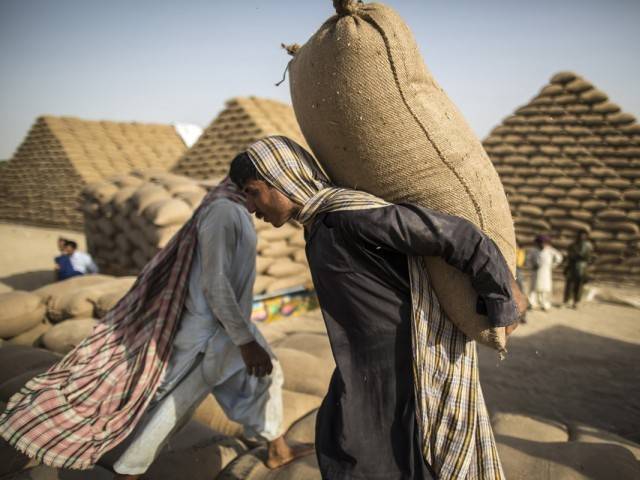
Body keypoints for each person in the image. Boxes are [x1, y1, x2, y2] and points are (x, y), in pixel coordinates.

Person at [230, 136, 526, 480]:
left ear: (280, 177)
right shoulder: (318, 227)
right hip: (364, 369)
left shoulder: (349, 218)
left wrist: (502, 299)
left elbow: (458, 235)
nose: (251, 208)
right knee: (342, 445)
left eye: (253, 192)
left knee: (384, 460)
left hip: (406, 370)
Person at [0, 177, 310, 478]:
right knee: (169, 410)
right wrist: (245, 341)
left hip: (223, 329)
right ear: (254, 186)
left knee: (264, 377)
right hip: (211, 334)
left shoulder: (226, 208)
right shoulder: (225, 213)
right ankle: (126, 473)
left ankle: (277, 448)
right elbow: (216, 285)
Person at [528, 235, 563, 311]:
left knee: (545, 289)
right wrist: (532, 266)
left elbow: (559, 258)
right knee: (534, 289)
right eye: (540, 243)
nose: (542, 244)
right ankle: (532, 304)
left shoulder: (550, 251)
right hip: (536, 272)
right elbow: (528, 260)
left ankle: (545, 305)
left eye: (544, 243)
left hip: (545, 273)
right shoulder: (533, 251)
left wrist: (552, 265)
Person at [563, 230, 593, 309]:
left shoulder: (588, 246)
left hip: (582, 267)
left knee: (579, 286)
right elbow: (569, 256)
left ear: (586, 237)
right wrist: (567, 267)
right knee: (569, 285)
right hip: (572, 266)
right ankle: (567, 301)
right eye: (580, 236)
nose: (581, 237)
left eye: (583, 236)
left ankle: (576, 302)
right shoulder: (572, 245)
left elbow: (588, 258)